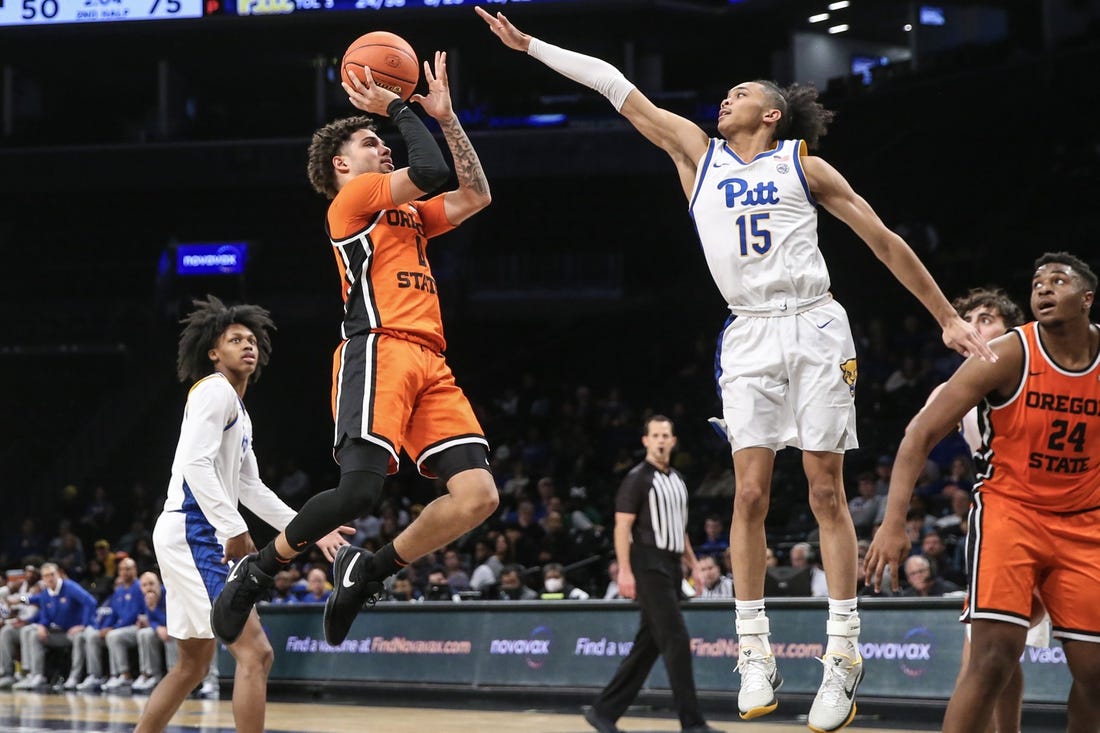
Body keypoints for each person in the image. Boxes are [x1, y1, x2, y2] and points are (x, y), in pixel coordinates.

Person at [476, 9, 994, 731]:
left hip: (815, 322)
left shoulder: (802, 163)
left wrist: (944, 315)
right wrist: (530, 46)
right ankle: (756, 649)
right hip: (747, 331)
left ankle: (842, 654)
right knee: (748, 494)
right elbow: (614, 85)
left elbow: (883, 238)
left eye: (739, 92)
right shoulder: (696, 154)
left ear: (772, 113)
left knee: (824, 488)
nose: (724, 99)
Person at [210, 50, 498, 650]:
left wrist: (445, 117)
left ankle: (368, 571)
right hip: (379, 349)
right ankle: (258, 569)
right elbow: (431, 171)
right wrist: (395, 104)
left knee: (478, 496)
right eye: (372, 142)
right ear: (343, 165)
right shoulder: (352, 203)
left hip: (431, 361)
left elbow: (475, 194)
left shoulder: (408, 215)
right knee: (360, 494)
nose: (384, 145)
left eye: (382, 138)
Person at [866, 252, 1100, 732]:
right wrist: (893, 522)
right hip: (1010, 514)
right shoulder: (1007, 354)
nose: (1044, 288)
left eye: (1059, 280)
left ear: (1087, 299)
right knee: (994, 655)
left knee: (1095, 671)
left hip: (1083, 522)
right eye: (1037, 282)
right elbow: (918, 435)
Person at [133, 296, 350, 733]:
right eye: (235, 340)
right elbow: (195, 464)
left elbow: (251, 488)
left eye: (252, 340)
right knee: (256, 653)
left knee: (192, 665)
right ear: (214, 352)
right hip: (197, 530)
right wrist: (231, 528)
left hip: (189, 530)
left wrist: (312, 528)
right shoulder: (214, 390)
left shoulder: (237, 408)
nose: (247, 346)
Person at [583, 416, 718, 733]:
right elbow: (622, 527)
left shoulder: (678, 480)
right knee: (676, 640)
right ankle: (692, 723)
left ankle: (603, 712)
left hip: (672, 566)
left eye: (665, 435)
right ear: (645, 440)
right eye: (655, 435)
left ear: (673, 440)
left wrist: (694, 564)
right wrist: (625, 570)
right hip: (647, 564)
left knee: (649, 645)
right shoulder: (637, 479)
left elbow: (679, 529)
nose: (660, 440)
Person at [11, 562, 97, 691]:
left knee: (79, 637)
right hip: (61, 632)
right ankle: (36, 675)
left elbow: (90, 602)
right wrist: (41, 626)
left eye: (52, 574)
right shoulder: (46, 594)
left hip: (76, 631)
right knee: (34, 634)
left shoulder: (70, 587)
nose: (49, 578)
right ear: (43, 578)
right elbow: (39, 608)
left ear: (58, 574)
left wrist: (83, 625)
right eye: (46, 576)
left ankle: (74, 677)